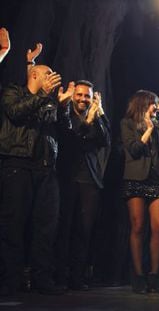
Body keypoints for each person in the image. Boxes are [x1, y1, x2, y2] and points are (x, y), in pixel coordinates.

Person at [0, 65, 73, 295]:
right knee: (14, 224)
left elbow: (64, 128)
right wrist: (42, 96)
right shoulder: (14, 92)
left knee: (46, 227)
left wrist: (63, 107)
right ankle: (10, 279)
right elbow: (16, 113)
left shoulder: (49, 100)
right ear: (34, 75)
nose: (51, 78)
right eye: (47, 74)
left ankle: (42, 279)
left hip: (45, 167)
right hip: (17, 163)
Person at [55, 80, 111, 290]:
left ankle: (77, 277)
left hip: (90, 181)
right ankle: (60, 276)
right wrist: (87, 121)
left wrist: (99, 114)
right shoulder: (66, 115)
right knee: (64, 229)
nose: (83, 99)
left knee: (84, 232)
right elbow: (71, 143)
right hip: (68, 178)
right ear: (73, 95)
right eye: (79, 95)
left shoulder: (96, 116)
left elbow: (105, 140)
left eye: (87, 96)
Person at [120, 90, 159, 294]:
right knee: (138, 227)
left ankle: (154, 275)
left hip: (156, 179)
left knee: (158, 227)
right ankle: (138, 275)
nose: (156, 108)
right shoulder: (127, 123)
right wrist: (149, 131)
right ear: (144, 104)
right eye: (154, 104)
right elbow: (133, 149)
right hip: (135, 179)